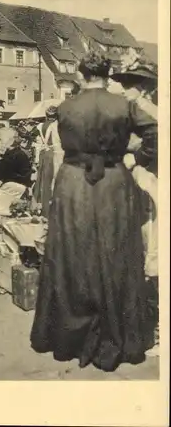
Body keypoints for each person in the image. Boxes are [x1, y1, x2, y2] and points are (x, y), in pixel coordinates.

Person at [30, 51, 158, 372]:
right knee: (116, 252)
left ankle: (70, 334)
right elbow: (156, 132)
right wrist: (138, 157)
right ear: (108, 73)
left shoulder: (65, 107)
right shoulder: (124, 105)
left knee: (72, 253)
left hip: (73, 184)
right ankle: (119, 333)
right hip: (114, 182)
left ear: (82, 73)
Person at [110, 53, 159, 356]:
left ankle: (156, 330)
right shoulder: (134, 110)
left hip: (150, 182)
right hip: (136, 182)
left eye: (129, 84)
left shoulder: (147, 110)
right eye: (124, 84)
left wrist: (135, 157)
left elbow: (155, 141)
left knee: (152, 249)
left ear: (142, 88)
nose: (125, 89)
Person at [32, 106, 64, 218]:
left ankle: (43, 208)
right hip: (55, 153)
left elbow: (40, 141)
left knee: (43, 181)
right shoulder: (58, 125)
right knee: (54, 181)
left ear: (46, 115)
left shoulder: (40, 126)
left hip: (44, 153)